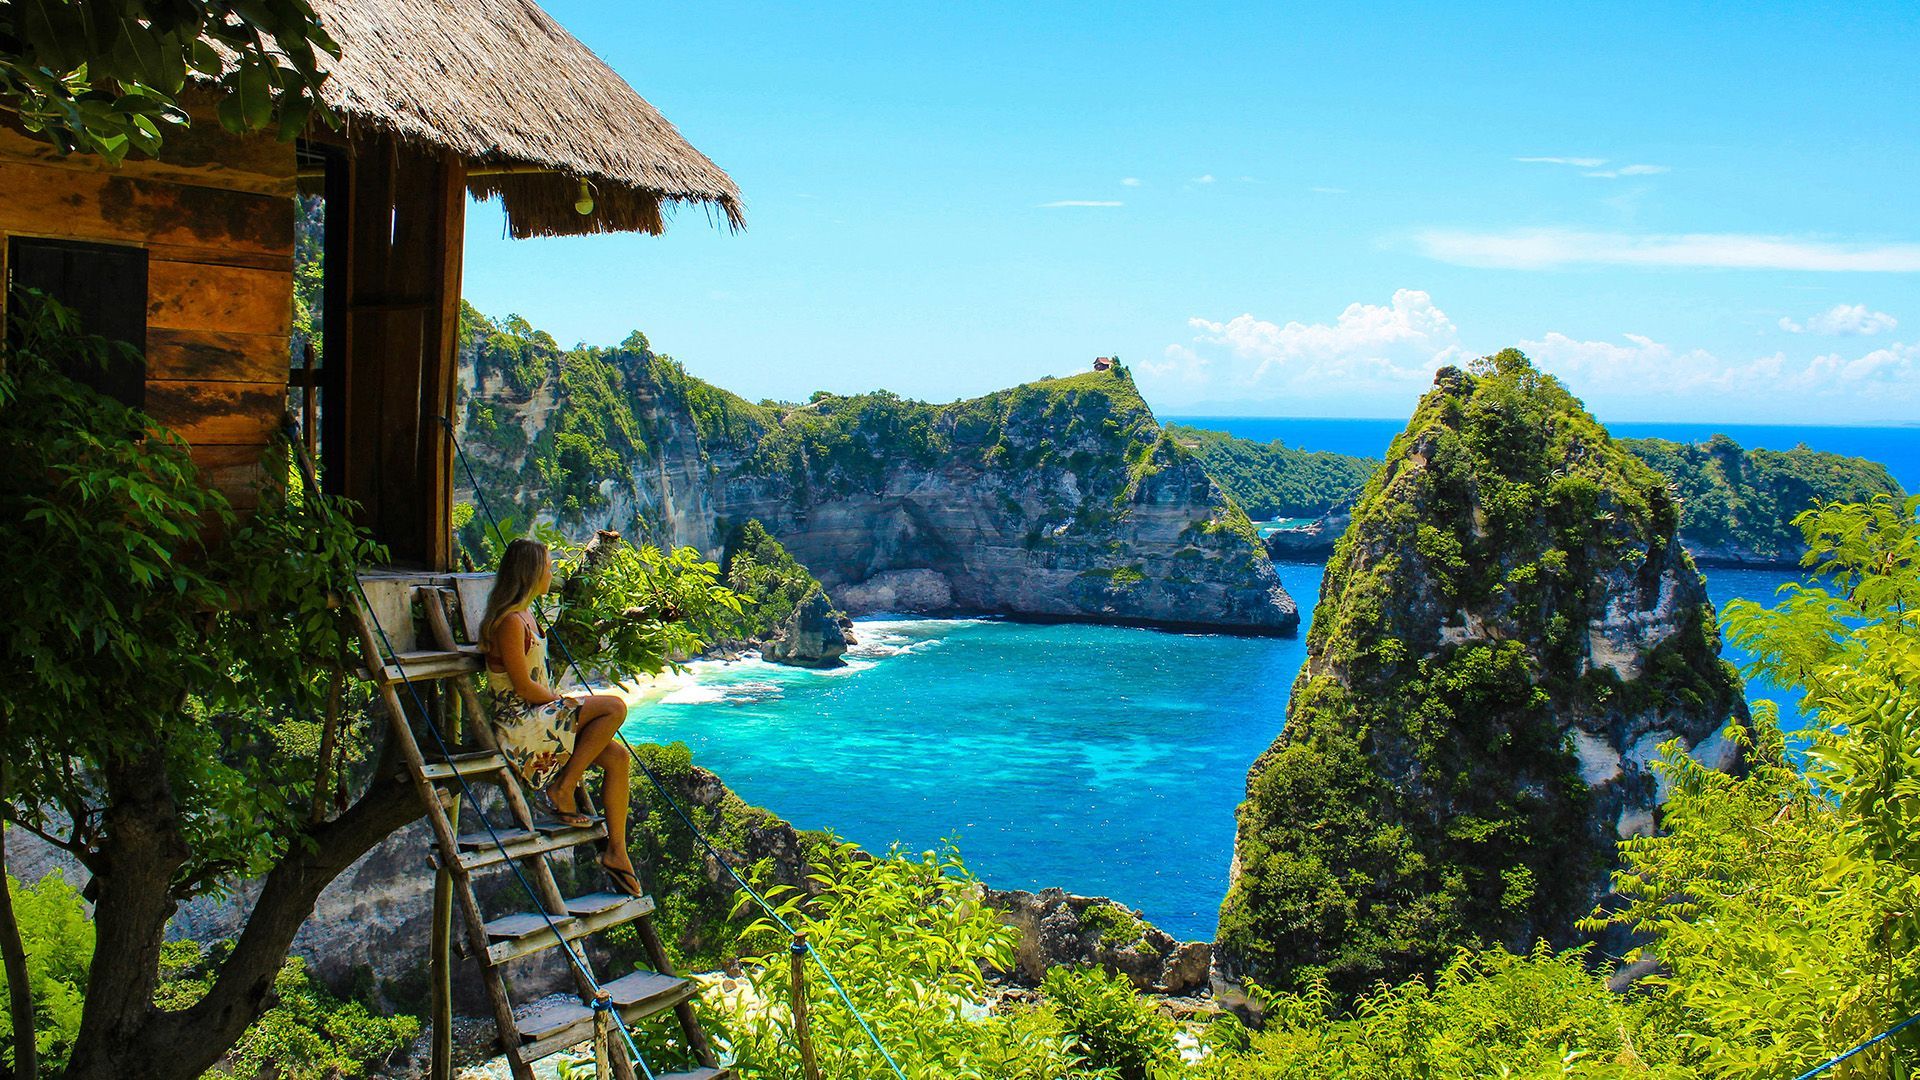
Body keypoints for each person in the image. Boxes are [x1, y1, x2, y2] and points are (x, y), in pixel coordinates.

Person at [478, 538, 641, 897]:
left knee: (617, 758)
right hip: (520, 723)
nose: (552, 572)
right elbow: (522, 687)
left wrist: (561, 702)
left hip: (539, 716)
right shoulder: (509, 623)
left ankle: (617, 851)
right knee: (614, 707)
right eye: (548, 566)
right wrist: (562, 700)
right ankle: (564, 787)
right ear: (531, 573)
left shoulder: (528, 616)